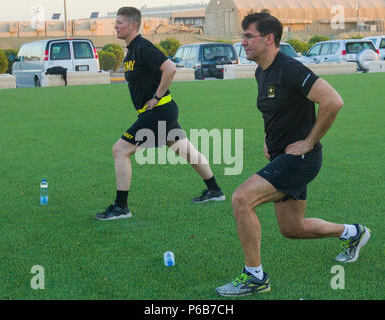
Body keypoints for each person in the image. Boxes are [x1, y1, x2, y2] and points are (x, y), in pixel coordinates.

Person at [216, 12, 371, 297]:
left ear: (269, 38)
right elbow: (273, 111)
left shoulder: (290, 69)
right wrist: (268, 140)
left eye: (248, 36)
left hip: (301, 159)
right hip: (281, 157)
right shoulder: (261, 71)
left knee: (241, 199)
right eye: (243, 36)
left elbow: (333, 101)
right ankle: (353, 232)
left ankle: (255, 277)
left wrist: (309, 142)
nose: (243, 42)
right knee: (293, 228)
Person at [95, 7, 225, 221]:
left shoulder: (143, 47)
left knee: (120, 150)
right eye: (115, 23)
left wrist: (155, 97)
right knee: (186, 151)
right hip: (161, 111)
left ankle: (121, 208)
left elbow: (170, 68)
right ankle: (215, 190)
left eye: (120, 23)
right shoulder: (132, 50)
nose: (116, 26)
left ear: (133, 25)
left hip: (159, 111)